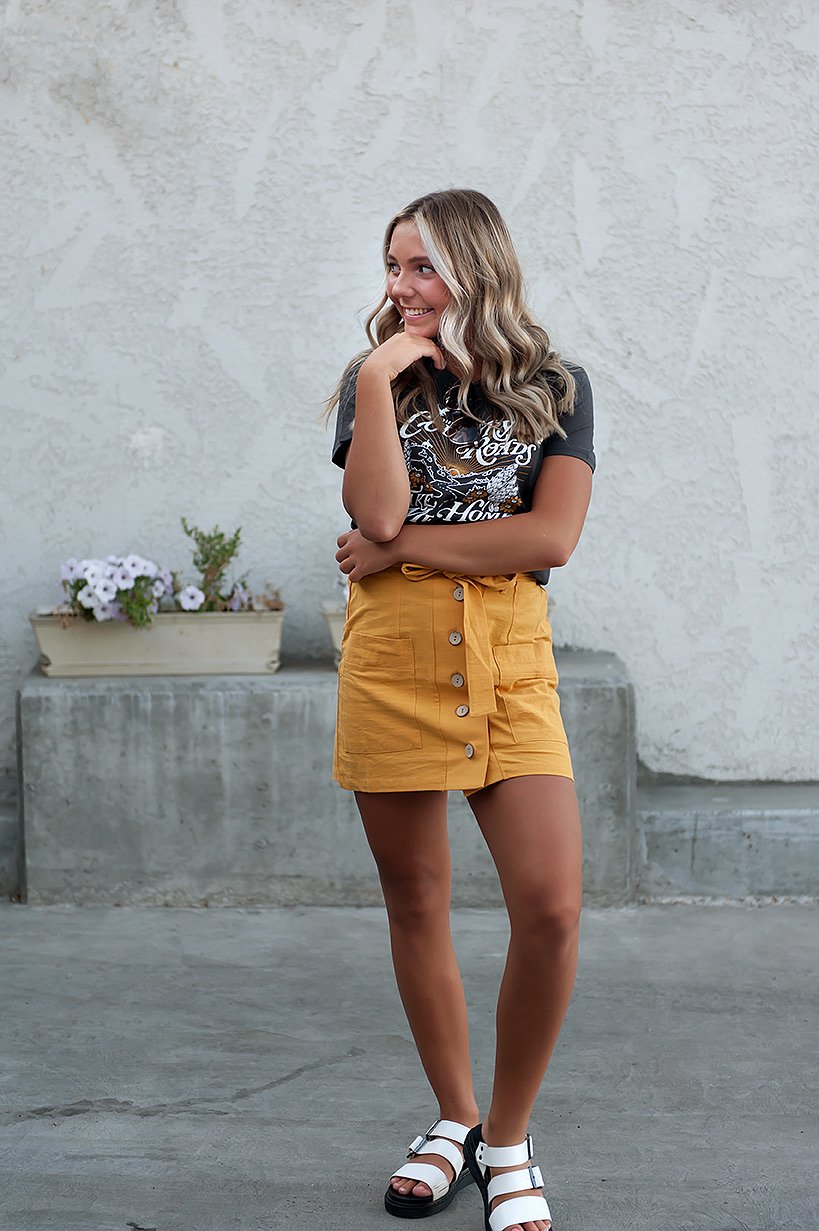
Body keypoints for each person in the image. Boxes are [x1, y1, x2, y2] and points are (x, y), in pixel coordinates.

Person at [325, 188, 595, 1231]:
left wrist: (400, 551)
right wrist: (380, 377)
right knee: (415, 899)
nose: (402, 290)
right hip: (392, 655)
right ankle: (453, 1116)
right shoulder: (373, 380)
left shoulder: (556, 386)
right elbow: (375, 510)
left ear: (476, 270)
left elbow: (549, 539)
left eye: (423, 269)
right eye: (393, 267)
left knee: (551, 906)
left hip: (509, 656)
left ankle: (507, 1136)